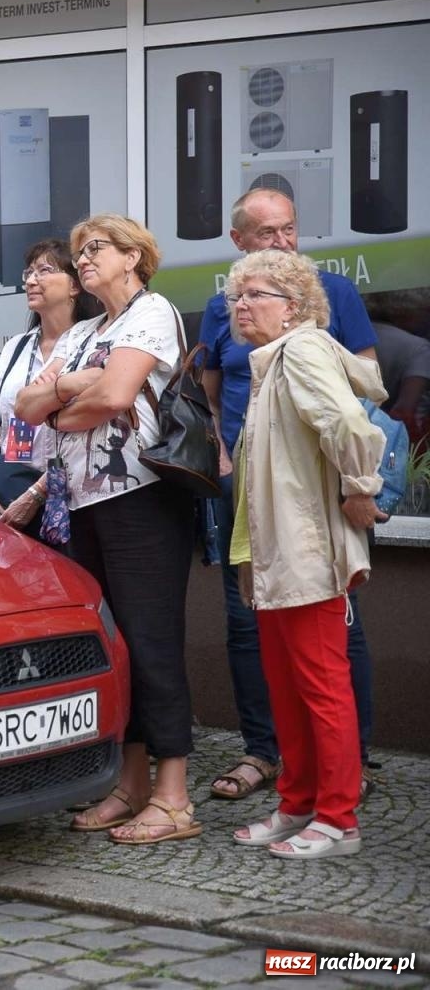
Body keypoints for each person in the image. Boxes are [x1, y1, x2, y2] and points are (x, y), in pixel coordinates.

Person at [15, 214, 197, 845]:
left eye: (95, 249)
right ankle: (132, 783)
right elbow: (24, 405)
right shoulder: (89, 329)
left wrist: (65, 403)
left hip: (143, 501)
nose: (83, 259)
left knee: (152, 643)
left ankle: (175, 796)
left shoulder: (154, 312)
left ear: (133, 256)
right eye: (78, 251)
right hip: (86, 504)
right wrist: (73, 388)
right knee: (116, 647)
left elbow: (117, 395)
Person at [198, 187, 380, 803]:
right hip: (255, 510)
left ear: (296, 304)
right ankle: (282, 774)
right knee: (264, 646)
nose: (282, 240)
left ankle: (340, 787)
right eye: (267, 232)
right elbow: (211, 388)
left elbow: (357, 411)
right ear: (239, 241)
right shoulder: (246, 335)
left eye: (289, 229)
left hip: (306, 511)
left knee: (325, 658)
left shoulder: (307, 336)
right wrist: (225, 462)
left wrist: (357, 490)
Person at [224, 250, 386, 859]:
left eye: (255, 294)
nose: (241, 305)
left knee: (321, 686)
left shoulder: (303, 350)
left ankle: (339, 819)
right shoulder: (270, 362)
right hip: (271, 556)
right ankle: (296, 803)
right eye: (236, 296)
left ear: (293, 308)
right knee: (286, 685)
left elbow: (352, 425)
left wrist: (359, 489)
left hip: (304, 553)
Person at [0, 240, 100, 537]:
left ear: (74, 286)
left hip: (64, 496)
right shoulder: (17, 346)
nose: (31, 280)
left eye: (44, 270)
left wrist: (36, 494)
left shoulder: (89, 349)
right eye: (28, 272)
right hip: (5, 487)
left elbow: (82, 438)